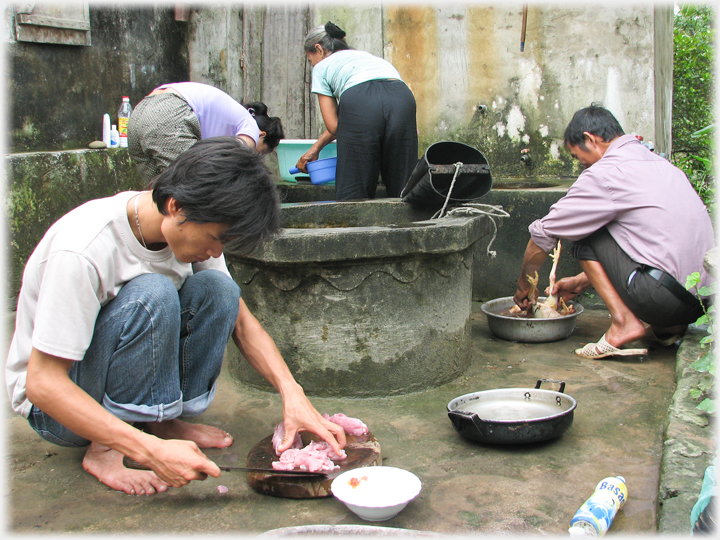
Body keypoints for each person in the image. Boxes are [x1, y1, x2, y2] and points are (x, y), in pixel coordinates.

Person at [5, 137, 346, 496]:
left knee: (220, 289)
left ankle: (162, 421)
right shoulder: (83, 250)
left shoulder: (190, 229)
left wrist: (293, 395)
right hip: (58, 412)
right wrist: (146, 451)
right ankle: (106, 449)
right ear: (175, 205)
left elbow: (243, 324)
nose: (216, 250)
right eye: (215, 238)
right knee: (152, 293)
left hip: (103, 384)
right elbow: (42, 384)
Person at [512, 104, 715, 359]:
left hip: (662, 299)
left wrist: (523, 286)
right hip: (699, 304)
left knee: (584, 230)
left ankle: (623, 324)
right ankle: (669, 329)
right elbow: (647, 247)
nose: (581, 165)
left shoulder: (605, 173)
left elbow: (543, 234)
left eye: (577, 157)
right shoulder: (660, 164)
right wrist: (581, 281)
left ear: (589, 139)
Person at [296, 21, 418, 200]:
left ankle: (354, 226)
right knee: (404, 188)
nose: (313, 64)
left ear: (319, 49)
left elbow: (335, 127)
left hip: (360, 99)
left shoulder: (322, 67)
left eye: (310, 59)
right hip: (401, 97)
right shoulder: (368, 57)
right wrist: (316, 148)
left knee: (354, 191)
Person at [128, 82, 285, 181]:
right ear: (261, 134)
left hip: (140, 112)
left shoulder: (228, 120)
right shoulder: (250, 126)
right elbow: (235, 157)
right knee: (192, 185)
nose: (255, 154)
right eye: (260, 152)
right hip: (168, 112)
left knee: (160, 194)